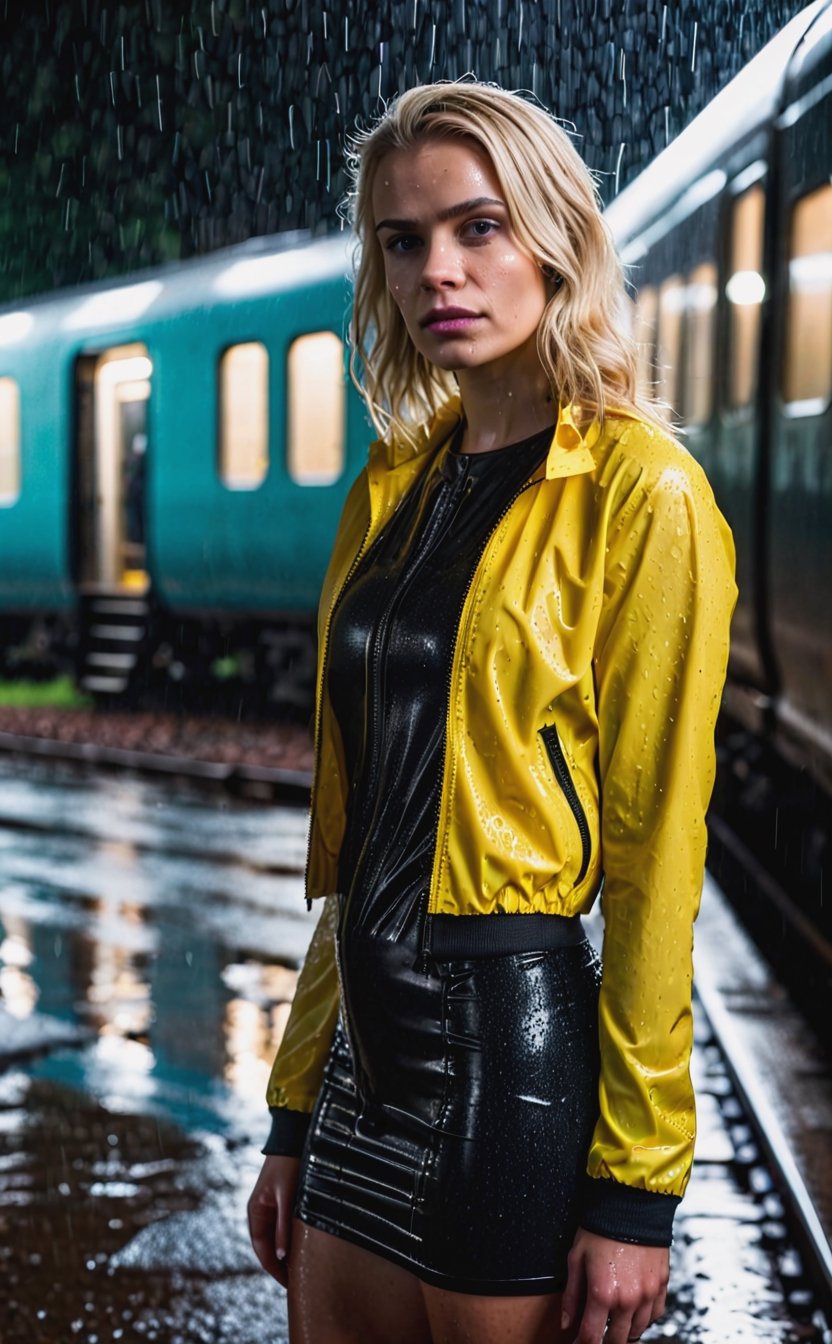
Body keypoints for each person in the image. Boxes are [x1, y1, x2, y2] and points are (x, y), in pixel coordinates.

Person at [247, 79, 737, 1344]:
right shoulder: (395, 487)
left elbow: (654, 859)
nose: (436, 272)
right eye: (401, 242)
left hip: (504, 1061)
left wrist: (636, 1188)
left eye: (477, 228)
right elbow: (361, 841)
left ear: (555, 239)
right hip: (362, 1061)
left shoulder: (644, 494)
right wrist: (296, 1107)